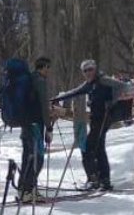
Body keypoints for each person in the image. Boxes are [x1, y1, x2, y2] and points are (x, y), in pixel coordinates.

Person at [52, 59, 129, 191]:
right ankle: (103, 180)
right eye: (85, 71)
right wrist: (57, 99)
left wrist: (112, 101)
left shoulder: (103, 80)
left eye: (90, 69)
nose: (88, 73)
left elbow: (121, 86)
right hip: (95, 119)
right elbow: (75, 92)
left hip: (103, 118)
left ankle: (94, 180)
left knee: (88, 148)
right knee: (98, 149)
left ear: (95, 69)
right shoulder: (89, 84)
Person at [18, 56, 54, 203]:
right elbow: (45, 106)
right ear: (44, 67)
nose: (49, 71)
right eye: (48, 68)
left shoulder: (28, 80)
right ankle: (28, 191)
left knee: (27, 156)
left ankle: (24, 189)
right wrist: (49, 127)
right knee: (37, 157)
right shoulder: (40, 81)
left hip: (25, 124)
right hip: (35, 125)